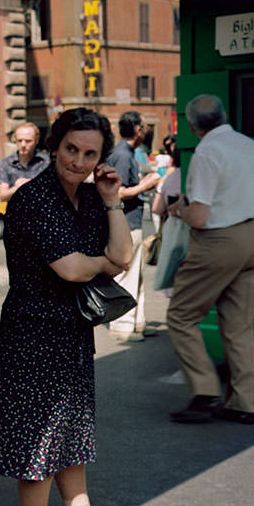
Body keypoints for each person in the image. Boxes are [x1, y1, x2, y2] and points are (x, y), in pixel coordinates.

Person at [0, 107, 134, 506]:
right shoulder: (34, 198)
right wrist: (97, 262)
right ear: (55, 146)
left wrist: (113, 200)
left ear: (101, 158)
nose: (78, 160)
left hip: (70, 329)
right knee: (38, 439)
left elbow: (123, 257)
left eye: (90, 153)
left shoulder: (94, 197)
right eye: (71, 149)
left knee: (72, 432)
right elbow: (75, 269)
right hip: (33, 332)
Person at [167, 94, 254, 425]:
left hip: (220, 241)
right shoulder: (250, 146)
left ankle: (205, 391)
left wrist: (178, 208)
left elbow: (199, 216)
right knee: (239, 326)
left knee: (181, 315)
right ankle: (243, 402)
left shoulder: (206, 153)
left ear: (192, 125)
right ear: (223, 116)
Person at [107, 110, 160, 342]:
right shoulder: (122, 155)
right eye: (145, 126)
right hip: (125, 222)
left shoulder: (124, 153)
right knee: (127, 276)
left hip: (131, 220)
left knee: (135, 275)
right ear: (138, 130)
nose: (146, 130)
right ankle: (123, 326)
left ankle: (137, 322)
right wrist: (145, 185)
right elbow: (116, 193)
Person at [0, 122, 50, 202]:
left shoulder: (47, 162)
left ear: (36, 141)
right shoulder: (6, 163)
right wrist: (17, 187)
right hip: (16, 212)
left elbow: (54, 192)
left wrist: (31, 184)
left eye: (28, 141)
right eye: (19, 140)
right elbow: (3, 196)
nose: (23, 145)